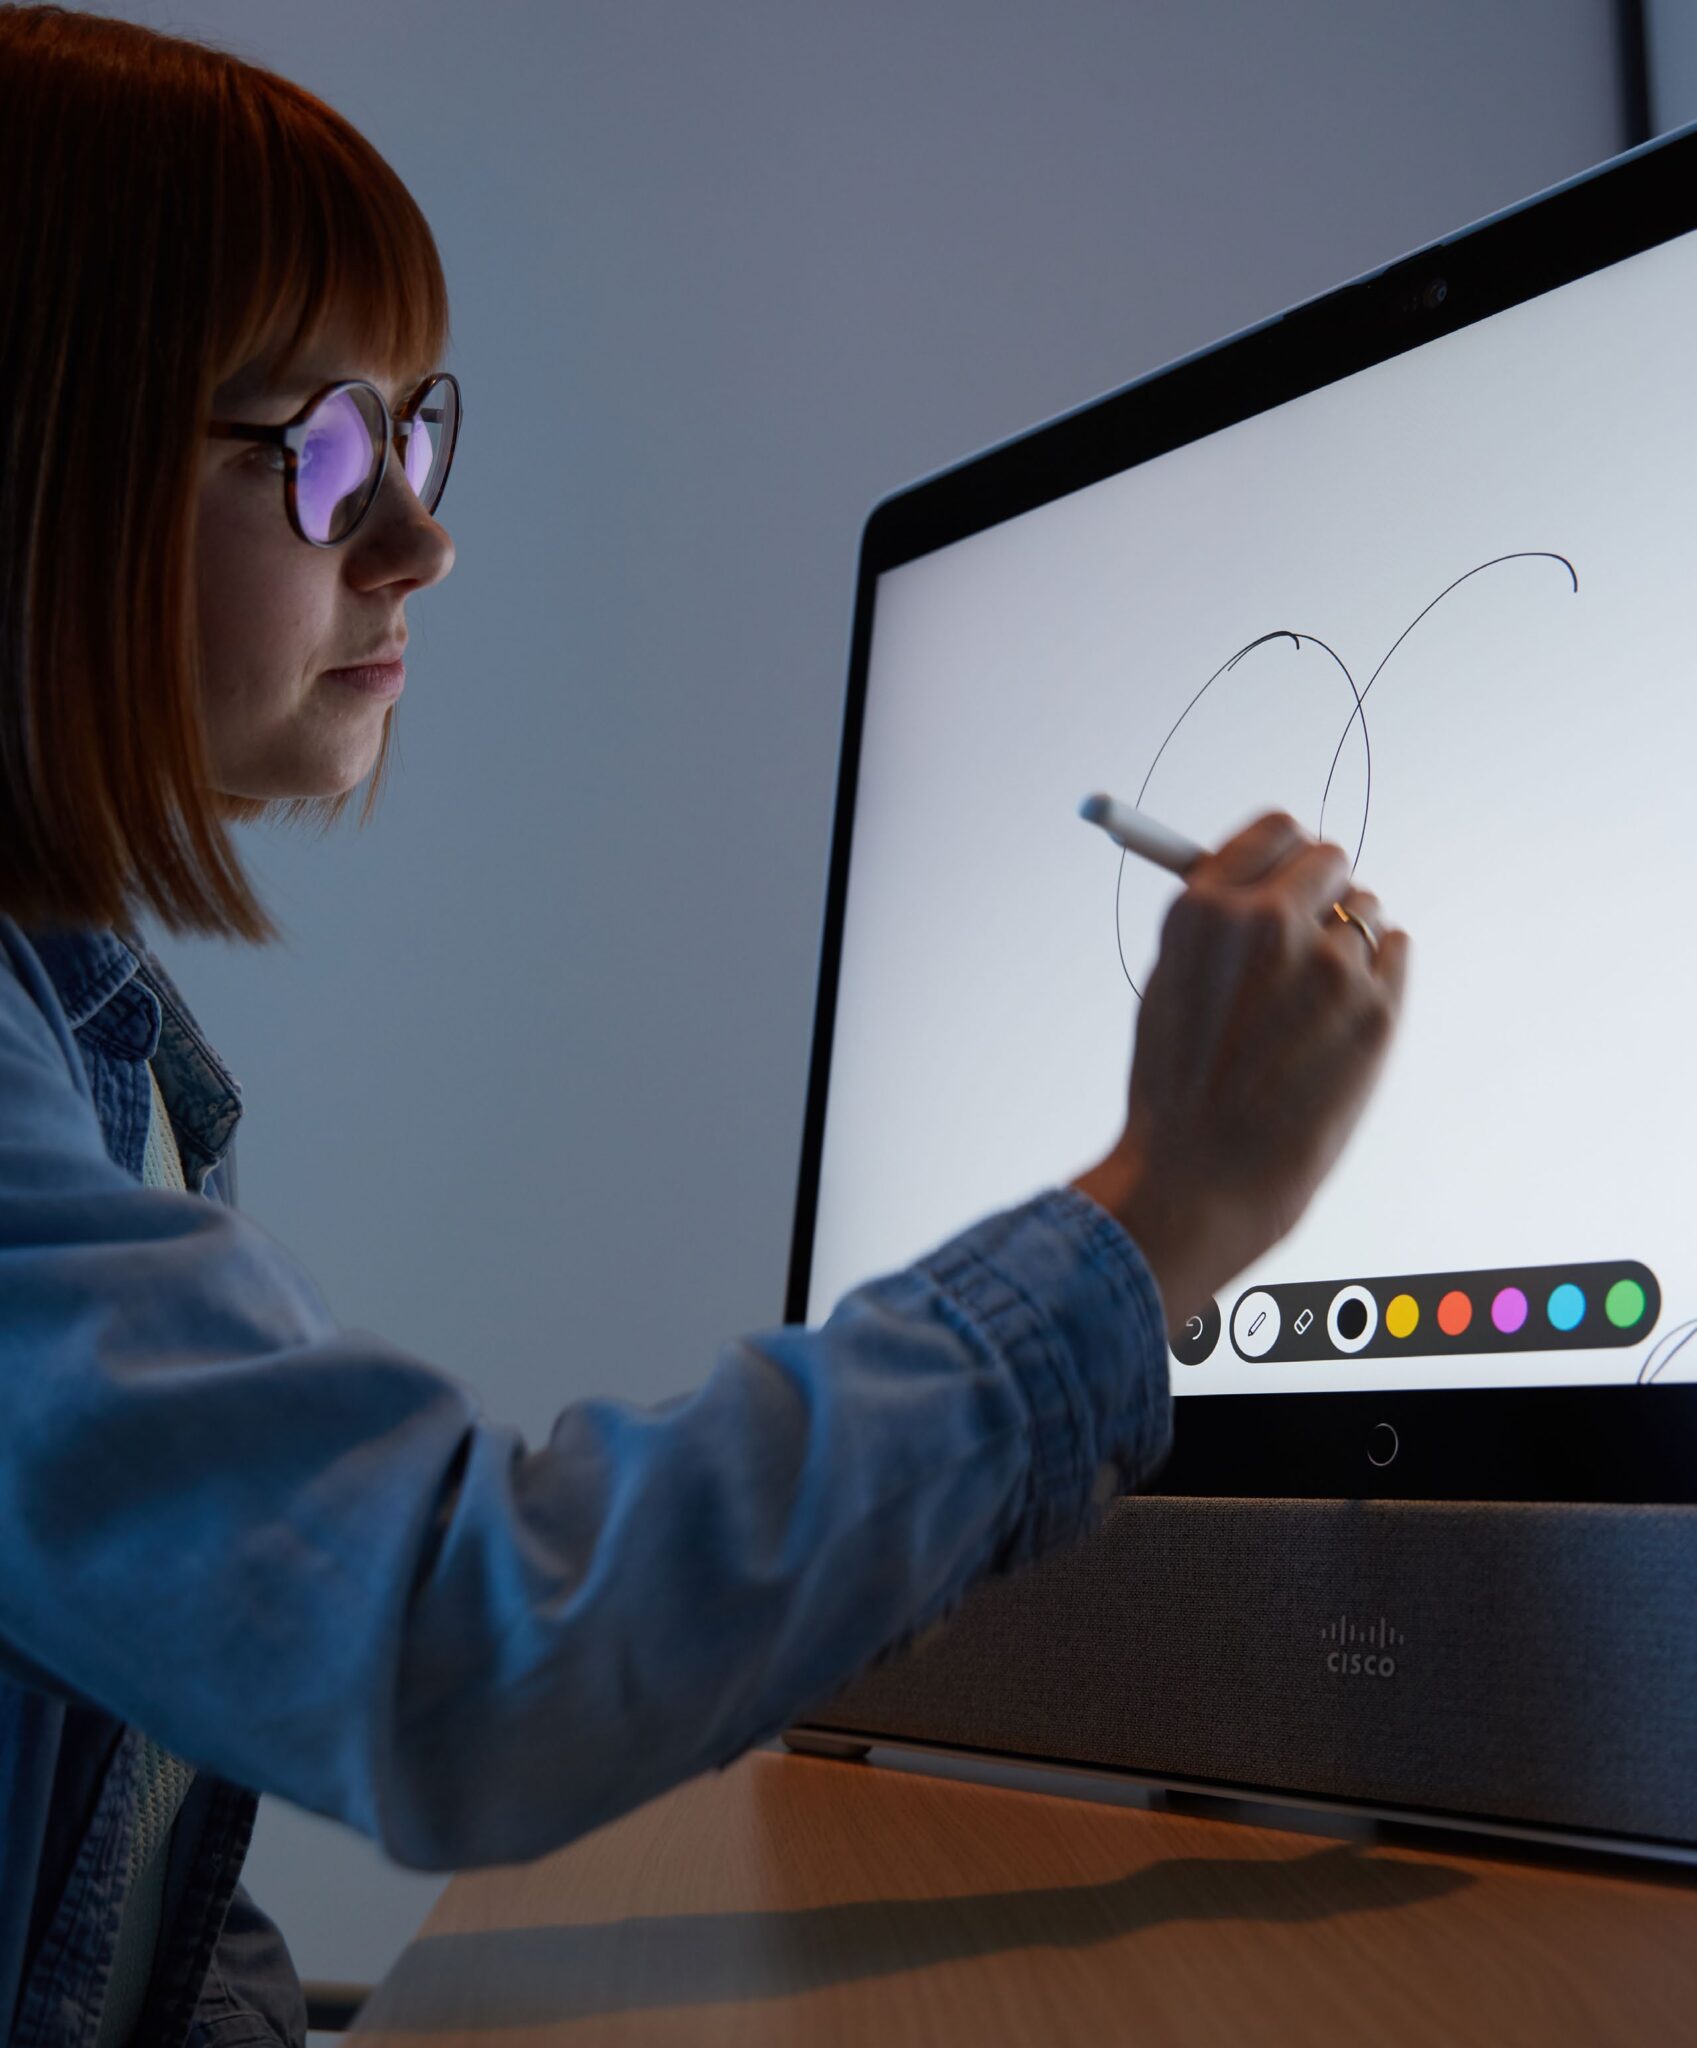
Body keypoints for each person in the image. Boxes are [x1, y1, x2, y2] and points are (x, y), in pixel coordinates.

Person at [0, 9, 1409, 2045]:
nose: (418, 532)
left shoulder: (98, 1056)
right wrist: (1157, 1211)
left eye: (412, 432)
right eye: (315, 449)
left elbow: (122, 1843)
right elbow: (453, 1654)